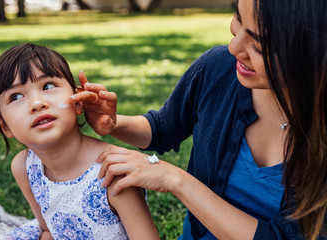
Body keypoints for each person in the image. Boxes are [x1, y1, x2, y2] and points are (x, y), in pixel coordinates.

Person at [70, 0, 327, 239]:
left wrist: (175, 179)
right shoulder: (218, 68)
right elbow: (162, 128)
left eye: (258, 45)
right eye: (238, 19)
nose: (233, 47)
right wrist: (113, 123)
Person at [0, 43, 160, 240]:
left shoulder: (113, 171)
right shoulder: (25, 167)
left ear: (78, 101)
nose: (37, 103)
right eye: (16, 96)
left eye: (48, 86)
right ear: (3, 125)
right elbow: (48, 230)